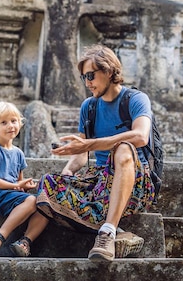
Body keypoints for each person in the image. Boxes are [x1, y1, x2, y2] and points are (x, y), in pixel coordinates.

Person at [36, 44, 155, 262]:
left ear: (109, 71)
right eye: (83, 77)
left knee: (123, 148)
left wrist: (90, 144)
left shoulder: (136, 99)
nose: (87, 82)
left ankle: (107, 233)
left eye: (91, 75)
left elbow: (140, 136)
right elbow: (82, 154)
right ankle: (121, 234)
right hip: (99, 181)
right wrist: (68, 170)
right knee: (48, 185)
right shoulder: (88, 107)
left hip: (135, 182)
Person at [0, 101, 48, 257]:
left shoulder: (18, 153)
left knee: (45, 205)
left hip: (9, 194)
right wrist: (15, 185)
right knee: (30, 201)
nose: (11, 126)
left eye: (14, 121)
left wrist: (24, 186)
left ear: (20, 124)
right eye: (4, 122)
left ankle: (25, 242)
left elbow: (18, 184)